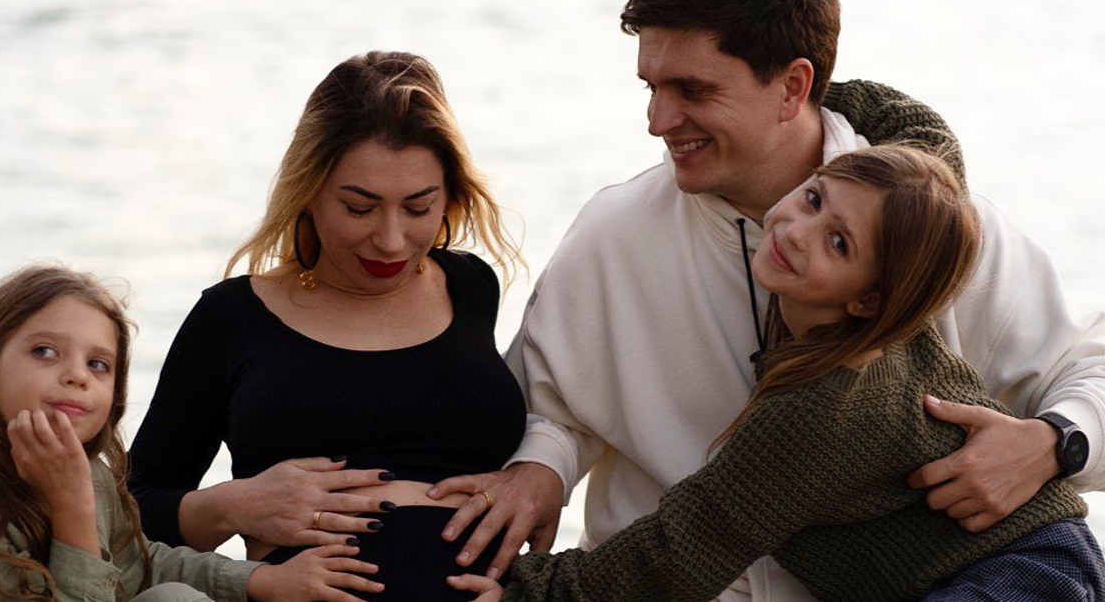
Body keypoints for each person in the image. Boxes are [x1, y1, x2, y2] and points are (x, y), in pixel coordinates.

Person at [426, 0, 1105, 599]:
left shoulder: (944, 234)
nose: (658, 121)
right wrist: (540, 466)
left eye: (692, 90)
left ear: (793, 87)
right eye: (651, 86)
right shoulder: (613, 232)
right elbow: (551, 404)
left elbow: (1087, 372)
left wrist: (1055, 443)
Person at [448, 146, 1105, 602]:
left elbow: (687, 546)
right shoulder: (870, 310)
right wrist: (830, 102)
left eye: (838, 242)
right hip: (1019, 558)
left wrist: (528, 593)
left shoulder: (825, 410)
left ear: (870, 298)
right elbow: (917, 134)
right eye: (814, 197)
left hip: (1022, 575)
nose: (796, 230)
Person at [127, 51, 527, 601]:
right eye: (359, 208)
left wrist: (530, 484)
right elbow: (128, 514)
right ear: (309, 192)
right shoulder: (233, 318)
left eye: (418, 208)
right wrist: (232, 505)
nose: (391, 240)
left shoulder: (470, 285)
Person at [0, 265, 381, 602]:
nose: (76, 375)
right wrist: (72, 508)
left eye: (98, 364)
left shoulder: (92, 476)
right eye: (45, 352)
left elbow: (141, 567)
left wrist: (262, 581)